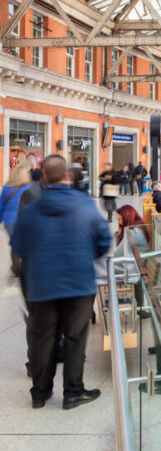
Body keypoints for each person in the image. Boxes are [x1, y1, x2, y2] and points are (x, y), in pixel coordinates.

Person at [11, 156, 112, 409]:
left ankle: (40, 393)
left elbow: (19, 247)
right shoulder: (85, 205)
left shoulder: (32, 207)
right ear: (67, 175)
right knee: (75, 337)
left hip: (42, 284)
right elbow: (103, 241)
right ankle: (73, 393)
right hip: (78, 283)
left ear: (43, 175)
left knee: (43, 338)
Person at [0, 165, 33, 235]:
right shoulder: (31, 188)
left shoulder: (6, 188)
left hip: (9, 220)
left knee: (14, 243)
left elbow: (1, 206)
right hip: (26, 221)